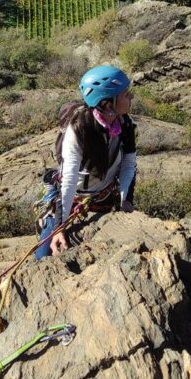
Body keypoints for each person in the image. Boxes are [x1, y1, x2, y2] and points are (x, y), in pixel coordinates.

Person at [35, 65, 137, 260]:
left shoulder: (125, 124)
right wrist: (59, 227)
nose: (130, 97)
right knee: (42, 256)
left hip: (104, 196)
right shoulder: (79, 128)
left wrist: (125, 202)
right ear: (108, 103)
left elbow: (128, 164)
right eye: (126, 94)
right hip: (73, 197)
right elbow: (69, 178)